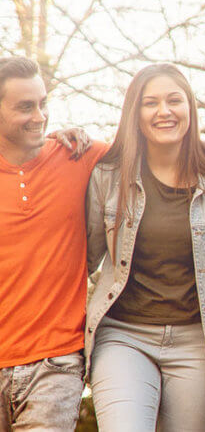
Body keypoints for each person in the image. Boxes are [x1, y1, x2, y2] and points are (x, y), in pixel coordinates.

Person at [85, 63, 205, 431]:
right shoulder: (108, 177)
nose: (164, 111)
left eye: (175, 100)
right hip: (124, 336)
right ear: (135, 113)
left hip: (202, 342)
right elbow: (81, 259)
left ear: (190, 108)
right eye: (150, 103)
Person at [0, 56, 106, 430]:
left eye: (42, 103)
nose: (40, 116)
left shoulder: (74, 154)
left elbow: (155, 148)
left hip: (55, 364)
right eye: (25, 107)